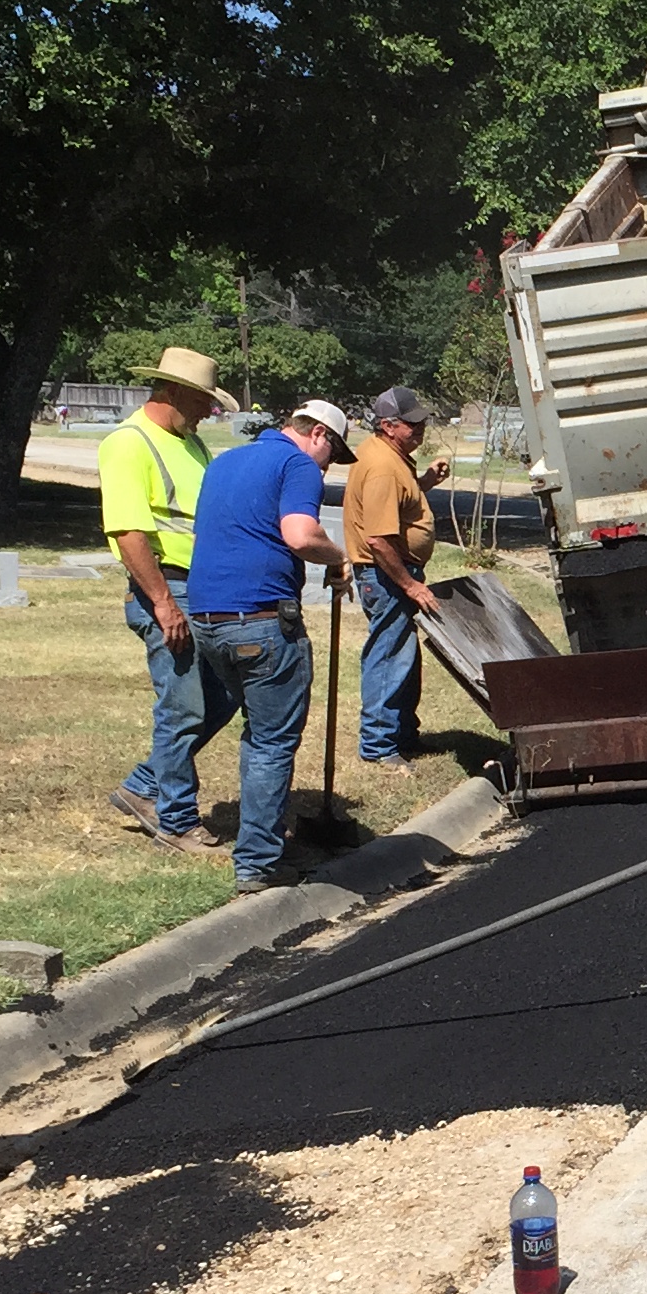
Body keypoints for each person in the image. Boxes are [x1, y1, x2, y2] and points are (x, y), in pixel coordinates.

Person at [183, 398, 353, 892]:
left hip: (207, 618)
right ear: (319, 435)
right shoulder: (297, 464)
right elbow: (300, 535)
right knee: (272, 741)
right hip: (261, 620)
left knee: (257, 732)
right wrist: (338, 557)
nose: (328, 465)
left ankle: (266, 832)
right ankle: (258, 861)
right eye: (334, 453)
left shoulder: (225, 461)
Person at [100, 346, 230, 854]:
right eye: (202, 401)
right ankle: (176, 821)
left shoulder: (191, 443)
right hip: (166, 588)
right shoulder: (129, 444)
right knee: (182, 707)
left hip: (200, 589)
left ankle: (141, 786)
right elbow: (129, 531)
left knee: (219, 698)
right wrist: (161, 602)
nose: (208, 412)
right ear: (172, 393)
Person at [340, 384, 451, 775]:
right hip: (385, 574)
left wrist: (424, 483)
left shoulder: (391, 456)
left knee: (403, 654)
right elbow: (378, 538)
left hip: (391, 572)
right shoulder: (383, 467)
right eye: (412, 424)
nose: (419, 429)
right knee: (389, 656)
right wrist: (409, 584)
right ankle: (379, 745)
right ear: (388, 426)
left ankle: (403, 734)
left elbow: (398, 504)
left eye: (422, 422)